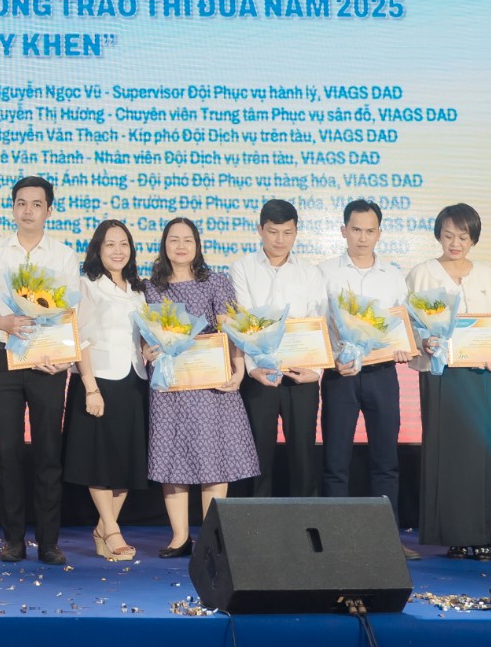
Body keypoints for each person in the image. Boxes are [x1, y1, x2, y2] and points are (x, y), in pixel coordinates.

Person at [0, 176, 80, 564]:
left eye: (36, 204)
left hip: (47, 363)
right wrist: (1, 322)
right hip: (4, 358)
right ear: (12, 208)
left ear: (49, 210)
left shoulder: (63, 255)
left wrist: (65, 357)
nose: (28, 210)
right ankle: (13, 540)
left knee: (48, 452)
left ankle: (49, 542)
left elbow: (71, 311)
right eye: (21, 203)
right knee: (6, 452)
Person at [146, 214, 258, 552]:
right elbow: (144, 336)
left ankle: (210, 538)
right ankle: (180, 537)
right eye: (174, 240)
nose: (181, 246)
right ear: (164, 245)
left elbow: (231, 330)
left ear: (197, 245)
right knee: (172, 459)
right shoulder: (151, 287)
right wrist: (147, 351)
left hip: (211, 384)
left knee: (214, 459)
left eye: (187, 240)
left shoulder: (216, 282)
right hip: (170, 386)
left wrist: (238, 370)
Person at [415, 203, 491, 555]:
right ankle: (452, 534)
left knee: (483, 451)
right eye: (449, 235)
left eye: (463, 237)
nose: (455, 243)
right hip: (440, 374)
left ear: (474, 239)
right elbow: (409, 322)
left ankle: (485, 534)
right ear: (438, 235)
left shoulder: (485, 273)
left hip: (479, 372)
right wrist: (423, 341)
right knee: (446, 451)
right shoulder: (422, 273)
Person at [231, 198, 326, 496]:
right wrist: (252, 370)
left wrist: (316, 371)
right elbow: (243, 321)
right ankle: (257, 519)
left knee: (303, 453)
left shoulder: (311, 272)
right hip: (260, 374)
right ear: (260, 230)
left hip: (301, 374)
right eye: (273, 232)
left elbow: (318, 322)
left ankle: (306, 517)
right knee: (259, 452)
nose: (280, 240)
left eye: (287, 232)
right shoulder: (242, 268)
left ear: (296, 232)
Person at [323, 198, 412, 513]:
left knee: (386, 460)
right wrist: (332, 359)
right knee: (335, 461)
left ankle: (387, 535)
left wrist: (404, 347)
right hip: (339, 374)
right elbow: (318, 325)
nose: (362, 237)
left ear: (379, 233)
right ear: (343, 231)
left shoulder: (393, 276)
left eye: (370, 231)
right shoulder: (324, 273)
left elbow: (403, 325)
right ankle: (333, 534)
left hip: (382, 374)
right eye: (356, 230)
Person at [67, 219, 150, 560]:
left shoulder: (138, 289)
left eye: (124, 244)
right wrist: (90, 387)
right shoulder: (86, 285)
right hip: (98, 379)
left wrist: (152, 349)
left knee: (127, 461)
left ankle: (104, 528)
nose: (118, 251)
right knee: (99, 460)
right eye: (110, 244)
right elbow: (79, 337)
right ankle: (113, 531)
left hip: (134, 379)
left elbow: (140, 336)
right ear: (97, 249)